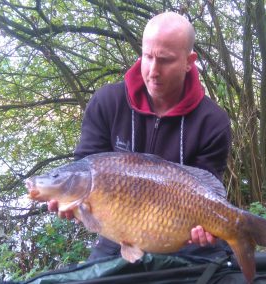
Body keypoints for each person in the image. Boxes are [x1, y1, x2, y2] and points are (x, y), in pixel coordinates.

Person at [48, 11, 232, 263]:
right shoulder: (107, 103)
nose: (153, 71)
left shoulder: (213, 121)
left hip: (181, 236)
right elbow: (84, 167)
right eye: (148, 56)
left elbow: (207, 187)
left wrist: (208, 229)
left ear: (189, 61)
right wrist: (73, 201)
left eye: (165, 60)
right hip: (117, 234)